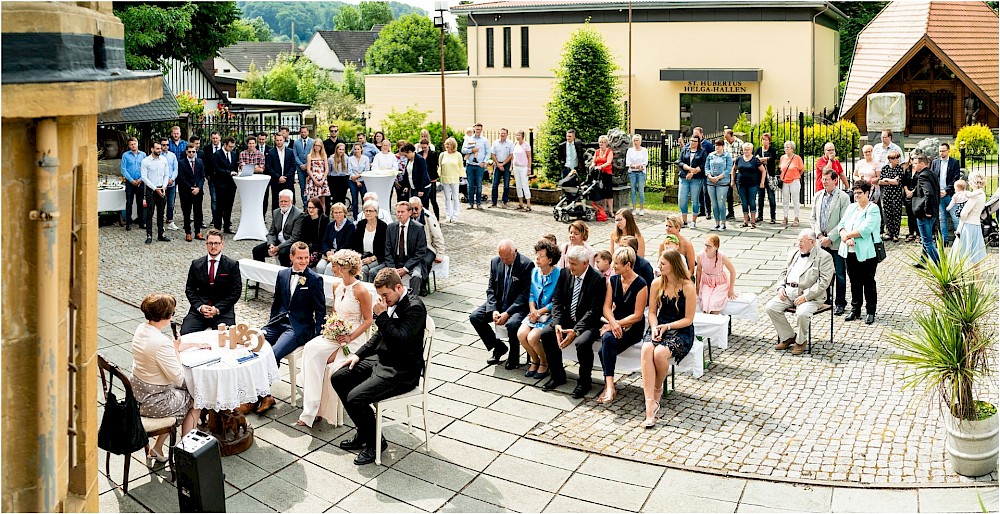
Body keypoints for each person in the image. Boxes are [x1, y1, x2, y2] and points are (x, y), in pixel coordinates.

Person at [330, 268, 427, 465]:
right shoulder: (390, 303)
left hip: (402, 371)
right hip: (381, 360)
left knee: (355, 398)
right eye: (380, 295)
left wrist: (382, 316)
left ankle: (376, 444)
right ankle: (365, 433)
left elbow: (399, 341)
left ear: (398, 287)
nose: (382, 299)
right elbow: (378, 336)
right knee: (338, 377)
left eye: (385, 294)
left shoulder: (415, 307)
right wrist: (358, 355)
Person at [298, 250, 373, 428]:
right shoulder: (336, 286)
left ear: (346, 267)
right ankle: (311, 408)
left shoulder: (361, 291)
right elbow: (334, 312)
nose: (332, 267)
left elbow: (369, 320)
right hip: (335, 335)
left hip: (353, 338)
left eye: (335, 265)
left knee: (327, 363)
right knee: (310, 349)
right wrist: (331, 327)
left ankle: (321, 410)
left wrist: (349, 337)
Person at [131, 293, 208, 461]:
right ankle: (187, 453)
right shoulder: (161, 342)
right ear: (166, 316)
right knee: (197, 399)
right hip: (154, 402)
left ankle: (157, 448)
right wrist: (175, 350)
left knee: (181, 393)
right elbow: (178, 377)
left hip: (138, 395)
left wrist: (184, 346)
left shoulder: (141, 329)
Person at [252, 242, 326, 414]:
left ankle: (262, 396)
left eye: (306, 258)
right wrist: (270, 324)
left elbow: (320, 311)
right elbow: (277, 302)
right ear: (291, 257)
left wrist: (316, 337)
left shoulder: (315, 279)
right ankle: (254, 392)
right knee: (253, 346)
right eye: (300, 258)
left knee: (272, 353)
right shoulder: (283, 274)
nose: (303, 261)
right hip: (277, 323)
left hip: (297, 328)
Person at [539, 245, 607, 396]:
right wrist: (557, 324)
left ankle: (584, 382)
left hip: (588, 322)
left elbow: (594, 311)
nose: (570, 266)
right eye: (569, 262)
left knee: (582, 343)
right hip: (567, 318)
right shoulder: (565, 274)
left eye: (574, 264)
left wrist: (576, 331)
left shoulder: (598, 280)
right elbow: (557, 300)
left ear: (585, 263)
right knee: (546, 334)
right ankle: (557, 375)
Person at [640, 249, 696, 428]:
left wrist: (668, 327)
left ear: (673, 265)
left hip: (680, 329)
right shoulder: (656, 283)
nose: (659, 266)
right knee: (647, 349)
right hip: (660, 325)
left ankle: (657, 392)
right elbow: (652, 313)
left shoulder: (687, 286)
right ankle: (650, 404)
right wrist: (656, 326)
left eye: (663, 264)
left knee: (660, 354)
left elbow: (688, 319)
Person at [766, 229, 834, 354]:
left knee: (802, 313)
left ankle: (801, 341)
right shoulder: (793, 253)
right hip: (789, 292)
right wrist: (780, 287)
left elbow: (823, 282)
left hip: (811, 297)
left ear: (812, 242)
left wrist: (806, 296)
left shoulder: (824, 257)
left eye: (802, 241)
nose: (799, 244)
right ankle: (788, 337)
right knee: (771, 307)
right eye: (798, 241)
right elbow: (783, 273)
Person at [470, 240, 535, 368]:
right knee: (475, 317)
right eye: (502, 258)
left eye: (507, 258)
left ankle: (514, 356)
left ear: (515, 252)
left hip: (517, 307)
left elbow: (525, 294)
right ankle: (498, 346)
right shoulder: (495, 262)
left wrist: (508, 313)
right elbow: (491, 288)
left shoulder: (526, 265)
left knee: (512, 324)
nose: (504, 261)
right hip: (499, 303)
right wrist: (493, 309)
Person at [596, 247, 648, 404]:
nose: (613, 267)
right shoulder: (614, 280)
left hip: (633, 327)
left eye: (617, 264)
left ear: (628, 265)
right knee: (607, 340)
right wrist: (613, 323)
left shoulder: (641, 285)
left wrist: (615, 324)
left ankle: (608, 386)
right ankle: (610, 386)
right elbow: (606, 307)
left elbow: (638, 315)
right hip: (616, 324)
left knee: (604, 348)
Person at [838, 180, 883, 326]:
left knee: (868, 281)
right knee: (854, 281)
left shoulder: (873, 208)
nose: (856, 196)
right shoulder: (851, 207)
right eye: (855, 193)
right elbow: (841, 224)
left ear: (867, 193)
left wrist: (848, 236)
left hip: (867, 251)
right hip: (849, 250)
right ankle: (855, 308)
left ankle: (870, 311)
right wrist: (845, 236)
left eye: (859, 193)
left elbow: (866, 229)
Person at [181, 229, 242, 334]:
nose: (213, 246)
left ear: (222, 244)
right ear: (206, 244)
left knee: (227, 339)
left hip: (223, 312)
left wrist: (217, 309)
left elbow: (236, 292)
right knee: (185, 334)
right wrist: (200, 307)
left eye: (216, 243)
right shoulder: (196, 264)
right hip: (199, 312)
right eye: (210, 243)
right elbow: (190, 289)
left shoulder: (232, 265)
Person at [517, 240, 561, 380]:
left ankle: (544, 362)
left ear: (550, 260)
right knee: (521, 334)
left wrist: (539, 312)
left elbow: (556, 301)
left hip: (548, 314)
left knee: (532, 337)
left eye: (541, 256)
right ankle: (534, 360)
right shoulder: (535, 272)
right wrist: (532, 308)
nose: (537, 258)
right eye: (537, 254)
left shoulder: (558, 274)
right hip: (534, 312)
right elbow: (531, 293)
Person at [811, 169, 851, 315]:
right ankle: (825, 299)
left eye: (827, 179)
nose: (824, 181)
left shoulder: (843, 197)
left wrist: (831, 237)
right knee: (822, 272)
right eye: (823, 178)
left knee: (839, 273)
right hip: (821, 242)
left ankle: (840, 302)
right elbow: (813, 218)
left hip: (836, 242)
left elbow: (844, 220)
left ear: (835, 180)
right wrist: (820, 236)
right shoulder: (817, 196)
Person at [384, 201, 428, 294]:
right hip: (395, 262)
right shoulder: (391, 227)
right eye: (398, 212)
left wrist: (406, 268)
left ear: (410, 212)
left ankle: (413, 301)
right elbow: (387, 250)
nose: (399, 214)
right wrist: (392, 269)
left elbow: (421, 252)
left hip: (412, 262)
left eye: (402, 212)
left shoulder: (418, 228)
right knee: (375, 273)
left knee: (416, 276)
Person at [252, 190, 304, 267]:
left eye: (285, 201)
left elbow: (294, 237)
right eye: (281, 201)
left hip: (289, 243)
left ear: (291, 201)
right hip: (277, 242)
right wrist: (271, 245)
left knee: (283, 254)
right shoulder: (276, 212)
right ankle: (261, 276)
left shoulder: (298, 214)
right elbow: (271, 232)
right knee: (257, 250)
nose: (283, 203)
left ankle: (285, 276)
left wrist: (278, 248)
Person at [410, 196, 445, 296]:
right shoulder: (408, 216)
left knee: (425, 261)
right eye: (412, 208)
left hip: (429, 247)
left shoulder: (428, 217)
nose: (414, 211)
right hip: (415, 247)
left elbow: (438, 236)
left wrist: (440, 254)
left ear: (421, 207)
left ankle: (422, 285)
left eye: (416, 208)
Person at [911, 153, 941, 266]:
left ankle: (940, 266)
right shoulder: (931, 173)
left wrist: (927, 210)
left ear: (922, 163)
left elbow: (929, 193)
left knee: (927, 241)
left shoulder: (923, 175)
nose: (913, 166)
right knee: (926, 239)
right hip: (932, 212)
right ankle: (923, 261)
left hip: (925, 213)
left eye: (915, 163)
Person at [696, 234, 738, 314]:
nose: (706, 248)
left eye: (709, 246)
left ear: (716, 247)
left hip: (720, 283)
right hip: (707, 283)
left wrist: (731, 289)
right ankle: (706, 324)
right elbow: (698, 270)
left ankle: (715, 322)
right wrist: (697, 285)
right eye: (705, 245)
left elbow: (732, 271)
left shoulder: (721, 256)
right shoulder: (700, 255)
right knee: (705, 302)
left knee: (714, 303)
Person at [953, 171, 988, 267]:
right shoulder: (982, 194)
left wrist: (959, 214)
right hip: (976, 225)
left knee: (959, 254)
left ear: (972, 182)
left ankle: (959, 279)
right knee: (975, 255)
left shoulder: (974, 196)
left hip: (968, 226)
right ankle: (978, 280)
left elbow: (964, 213)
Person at [141, 141, 173, 244]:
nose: (160, 150)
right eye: (157, 148)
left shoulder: (164, 160)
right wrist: (155, 189)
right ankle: (149, 234)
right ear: (152, 149)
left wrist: (163, 187)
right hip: (152, 190)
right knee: (150, 213)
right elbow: (144, 177)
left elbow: (166, 175)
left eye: (160, 148)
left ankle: (161, 234)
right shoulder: (146, 161)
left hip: (162, 188)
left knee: (161, 212)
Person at [352, 200, 388, 281]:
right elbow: (356, 244)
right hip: (362, 256)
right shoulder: (361, 224)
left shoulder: (382, 227)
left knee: (364, 270)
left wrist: (372, 258)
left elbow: (384, 247)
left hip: (377, 257)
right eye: (366, 211)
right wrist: (359, 257)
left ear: (376, 212)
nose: (368, 213)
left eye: (370, 211)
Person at [932, 142, 961, 244]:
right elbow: (933, 178)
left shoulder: (954, 162)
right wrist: (938, 191)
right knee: (942, 218)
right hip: (939, 194)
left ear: (948, 151)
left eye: (943, 151)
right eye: (940, 151)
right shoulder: (935, 162)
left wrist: (946, 190)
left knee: (954, 217)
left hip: (950, 194)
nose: (941, 153)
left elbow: (955, 178)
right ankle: (945, 240)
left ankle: (959, 239)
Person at [733, 142, 766, 229]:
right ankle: (745, 221)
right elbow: (734, 169)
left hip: (753, 184)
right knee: (744, 202)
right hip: (741, 184)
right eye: (745, 150)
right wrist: (732, 180)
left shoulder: (755, 160)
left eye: (748, 150)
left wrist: (762, 182)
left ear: (751, 150)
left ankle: (753, 221)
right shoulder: (739, 159)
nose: (746, 151)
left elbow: (763, 171)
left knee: (751, 201)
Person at [317, 203, 356, 276]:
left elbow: (347, 244)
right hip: (329, 254)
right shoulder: (330, 225)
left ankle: (328, 287)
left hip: (342, 254)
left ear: (344, 213)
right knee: (320, 267)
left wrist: (334, 254)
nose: (338, 215)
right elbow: (324, 241)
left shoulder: (350, 226)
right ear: (332, 214)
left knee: (330, 267)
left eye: (340, 212)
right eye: (335, 213)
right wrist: (327, 251)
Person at [176, 144, 205, 242]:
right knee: (186, 213)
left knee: (198, 212)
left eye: (193, 151)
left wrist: (199, 188)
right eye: (189, 152)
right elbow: (181, 178)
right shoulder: (181, 162)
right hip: (186, 192)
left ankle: (198, 231)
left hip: (198, 192)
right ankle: (188, 232)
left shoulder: (200, 162)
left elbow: (202, 176)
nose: (191, 153)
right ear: (186, 152)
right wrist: (190, 188)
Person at [677, 134, 706, 228]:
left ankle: (693, 221)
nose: (693, 143)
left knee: (695, 199)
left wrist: (693, 172)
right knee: (682, 199)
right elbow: (680, 162)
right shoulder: (685, 150)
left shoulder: (702, 152)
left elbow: (703, 165)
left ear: (698, 143)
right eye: (691, 141)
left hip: (696, 179)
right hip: (684, 177)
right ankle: (684, 220)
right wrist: (688, 169)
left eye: (695, 141)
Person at [211, 137, 239, 234]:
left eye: (232, 147)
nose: (231, 148)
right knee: (219, 206)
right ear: (225, 145)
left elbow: (235, 167)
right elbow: (216, 169)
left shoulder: (234, 155)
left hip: (231, 184)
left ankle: (227, 226)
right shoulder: (217, 155)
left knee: (229, 206)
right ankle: (217, 227)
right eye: (230, 146)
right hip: (221, 184)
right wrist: (229, 172)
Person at [705, 139, 732, 231]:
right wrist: (709, 175)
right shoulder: (711, 155)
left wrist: (719, 177)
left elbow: (728, 169)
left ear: (723, 146)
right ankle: (716, 222)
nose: (717, 147)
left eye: (719, 145)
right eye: (716, 145)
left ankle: (723, 223)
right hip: (711, 182)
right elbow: (706, 167)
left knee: (721, 202)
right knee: (714, 203)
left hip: (722, 182)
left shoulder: (727, 156)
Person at [878, 151, 905, 242]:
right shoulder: (885, 168)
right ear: (890, 159)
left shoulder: (899, 169)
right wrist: (890, 180)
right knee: (888, 214)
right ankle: (889, 232)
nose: (897, 160)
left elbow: (897, 182)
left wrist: (887, 180)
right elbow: (880, 182)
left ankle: (896, 234)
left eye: (898, 158)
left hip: (896, 195)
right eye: (895, 158)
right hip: (886, 194)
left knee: (896, 214)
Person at [121, 137, 146, 231]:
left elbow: (145, 168)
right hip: (130, 182)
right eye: (131, 144)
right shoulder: (125, 155)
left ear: (137, 144)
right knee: (129, 203)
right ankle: (128, 223)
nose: (133, 146)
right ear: (129, 146)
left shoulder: (143, 155)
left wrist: (140, 179)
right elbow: (123, 169)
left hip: (140, 181)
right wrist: (131, 180)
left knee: (140, 203)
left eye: (134, 144)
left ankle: (141, 222)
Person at [267, 133, 297, 212]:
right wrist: (278, 177)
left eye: (280, 140)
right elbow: (269, 167)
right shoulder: (271, 152)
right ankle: (276, 222)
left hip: (288, 181)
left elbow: (293, 165)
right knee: (276, 202)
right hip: (276, 181)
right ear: (275, 140)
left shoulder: (290, 152)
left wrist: (286, 177)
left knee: (290, 201)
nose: (279, 142)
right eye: (277, 140)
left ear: (284, 140)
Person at [462, 123, 489, 209]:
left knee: (479, 184)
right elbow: (463, 150)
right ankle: (470, 203)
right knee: (470, 185)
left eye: (479, 129)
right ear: (474, 129)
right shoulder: (468, 139)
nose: (478, 131)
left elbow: (488, 152)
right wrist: (471, 150)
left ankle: (478, 203)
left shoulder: (484, 140)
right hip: (470, 164)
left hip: (479, 165)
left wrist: (484, 162)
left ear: (481, 130)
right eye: (477, 129)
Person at [778, 141, 805, 226]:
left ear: (792, 149)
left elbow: (801, 169)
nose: (786, 149)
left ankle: (796, 218)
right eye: (785, 147)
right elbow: (780, 168)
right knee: (785, 200)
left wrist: (796, 176)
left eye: (788, 147)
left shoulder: (797, 158)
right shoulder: (782, 157)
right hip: (785, 181)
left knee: (795, 200)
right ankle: (785, 217)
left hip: (794, 181)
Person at [438, 137, 464, 223]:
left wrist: (461, 176)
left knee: (455, 197)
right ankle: (448, 215)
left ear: (453, 145)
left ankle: (455, 215)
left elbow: (460, 166)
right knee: (447, 198)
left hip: (455, 178)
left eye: (448, 144)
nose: (446, 146)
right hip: (445, 178)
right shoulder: (442, 154)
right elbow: (440, 166)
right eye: (446, 144)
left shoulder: (458, 155)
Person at [300, 197, 330, 267]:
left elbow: (323, 238)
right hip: (306, 248)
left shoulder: (324, 219)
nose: (311, 210)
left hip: (318, 249)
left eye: (313, 208)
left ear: (318, 208)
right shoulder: (305, 219)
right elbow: (303, 236)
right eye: (309, 207)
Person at [755, 133, 779, 225]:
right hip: (760, 177)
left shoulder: (772, 150)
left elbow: (772, 160)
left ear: (769, 141)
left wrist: (763, 159)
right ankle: (760, 216)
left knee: (771, 197)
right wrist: (765, 159)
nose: (764, 141)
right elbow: (756, 160)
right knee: (760, 197)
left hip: (770, 177)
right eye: (763, 139)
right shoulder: (758, 150)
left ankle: (773, 217)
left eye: (766, 140)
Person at [303, 140, 331, 214]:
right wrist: (314, 180)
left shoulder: (324, 155)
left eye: (319, 145)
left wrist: (322, 180)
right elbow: (308, 169)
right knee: (313, 200)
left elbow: (327, 169)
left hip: (322, 179)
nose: (317, 147)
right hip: (313, 179)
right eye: (315, 145)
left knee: (322, 201)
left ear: (321, 146)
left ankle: (322, 217)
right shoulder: (309, 156)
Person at [722, 129, 744, 220]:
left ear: (732, 135)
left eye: (728, 138)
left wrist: (733, 160)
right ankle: (731, 212)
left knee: (741, 192)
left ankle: (746, 213)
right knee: (728, 193)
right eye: (725, 138)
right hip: (728, 171)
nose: (727, 140)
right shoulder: (725, 144)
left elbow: (743, 157)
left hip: (738, 170)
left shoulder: (740, 143)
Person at [162, 133, 183, 231]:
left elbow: (176, 169)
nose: (165, 147)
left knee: (171, 203)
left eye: (167, 145)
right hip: (161, 184)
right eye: (163, 145)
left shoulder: (172, 155)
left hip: (171, 183)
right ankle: (160, 221)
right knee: (161, 203)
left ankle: (170, 220)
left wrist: (172, 179)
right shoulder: (157, 156)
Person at [490, 128, 515, 209]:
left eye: (504, 133)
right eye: (501, 133)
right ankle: (494, 202)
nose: (502, 135)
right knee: (494, 184)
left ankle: (504, 202)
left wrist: (503, 164)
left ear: (507, 134)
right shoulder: (495, 143)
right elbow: (492, 154)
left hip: (506, 164)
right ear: (499, 134)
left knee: (506, 185)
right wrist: (498, 164)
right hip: (497, 164)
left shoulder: (510, 143)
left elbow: (511, 155)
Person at [203, 132, 223, 228]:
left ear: (220, 138)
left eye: (216, 138)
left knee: (223, 199)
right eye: (213, 138)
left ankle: (223, 218)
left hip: (223, 178)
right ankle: (215, 218)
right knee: (214, 199)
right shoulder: (207, 149)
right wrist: (207, 175)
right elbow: (205, 163)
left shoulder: (224, 147)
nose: (215, 140)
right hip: (212, 178)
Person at [592, 135, 615, 215]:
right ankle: (604, 209)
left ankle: (611, 211)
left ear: (606, 143)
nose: (601, 144)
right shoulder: (597, 151)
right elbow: (594, 161)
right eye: (600, 142)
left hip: (607, 173)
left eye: (603, 142)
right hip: (599, 174)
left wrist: (601, 166)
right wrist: (592, 165)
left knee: (609, 192)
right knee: (602, 192)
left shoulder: (609, 151)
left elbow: (608, 162)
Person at [510, 130, 532, 212]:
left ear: (522, 136)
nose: (517, 136)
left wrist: (529, 168)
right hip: (516, 167)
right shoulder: (515, 144)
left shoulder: (526, 145)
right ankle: (521, 203)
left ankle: (528, 204)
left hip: (523, 167)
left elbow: (529, 157)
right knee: (518, 185)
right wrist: (511, 166)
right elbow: (513, 156)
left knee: (525, 185)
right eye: (516, 135)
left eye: (519, 135)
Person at [347, 142, 370, 219]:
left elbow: (367, 170)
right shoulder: (350, 159)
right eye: (355, 149)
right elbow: (350, 171)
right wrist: (356, 180)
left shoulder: (366, 158)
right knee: (355, 201)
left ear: (361, 149)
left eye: (358, 149)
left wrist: (358, 175)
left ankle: (364, 217)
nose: (356, 150)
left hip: (363, 181)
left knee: (364, 199)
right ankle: (355, 218)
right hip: (353, 181)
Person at [626, 134, 648, 216]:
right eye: (634, 140)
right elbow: (628, 162)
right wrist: (634, 166)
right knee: (633, 191)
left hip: (641, 172)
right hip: (632, 172)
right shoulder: (630, 150)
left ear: (640, 141)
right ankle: (634, 208)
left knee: (641, 191)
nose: (635, 142)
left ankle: (641, 208)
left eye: (637, 140)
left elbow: (645, 161)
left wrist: (639, 165)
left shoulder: (644, 150)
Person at [417, 138, 440, 216]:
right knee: (425, 201)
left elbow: (433, 166)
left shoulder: (433, 154)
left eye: (425, 147)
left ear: (428, 146)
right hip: (423, 180)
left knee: (433, 200)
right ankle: (425, 218)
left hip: (431, 179)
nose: (424, 149)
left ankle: (437, 218)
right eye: (422, 147)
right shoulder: (419, 154)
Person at [294, 126, 314, 205]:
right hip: (300, 169)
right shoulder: (296, 142)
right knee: (303, 187)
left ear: (308, 132)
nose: (303, 133)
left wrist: (307, 165)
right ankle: (305, 206)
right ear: (300, 133)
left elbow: (314, 154)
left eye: (305, 132)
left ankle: (312, 205)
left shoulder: (313, 142)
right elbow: (295, 155)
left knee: (312, 187)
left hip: (311, 168)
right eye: (302, 132)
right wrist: (301, 165)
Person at [901, 160, 920, 243]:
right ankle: (911, 233)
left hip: (916, 195)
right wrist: (907, 191)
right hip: (907, 194)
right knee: (910, 215)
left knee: (917, 215)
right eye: (912, 159)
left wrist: (913, 192)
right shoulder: (907, 170)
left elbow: (919, 183)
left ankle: (918, 234)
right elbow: (904, 182)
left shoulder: (919, 171)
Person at [327, 142, 350, 208]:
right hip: (334, 179)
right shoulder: (331, 159)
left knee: (342, 198)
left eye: (343, 149)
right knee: (335, 198)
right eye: (340, 149)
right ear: (336, 149)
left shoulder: (346, 158)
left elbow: (348, 169)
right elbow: (329, 172)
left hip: (343, 179)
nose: (341, 151)